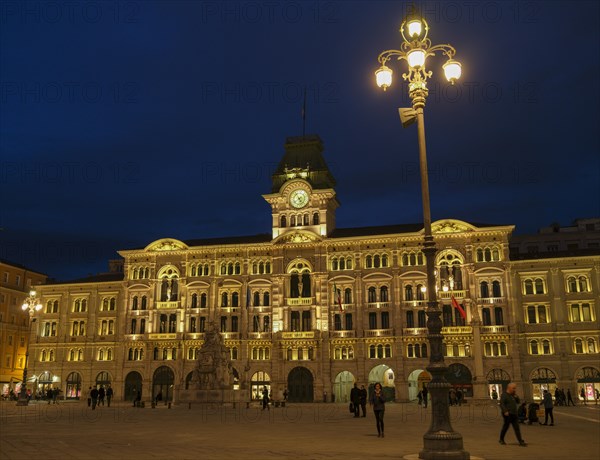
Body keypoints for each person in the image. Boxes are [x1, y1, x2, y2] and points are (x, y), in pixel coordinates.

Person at [499, 382, 527, 446]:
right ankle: (501, 439)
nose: (515, 389)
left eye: (515, 388)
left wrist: (516, 396)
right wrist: (505, 411)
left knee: (517, 428)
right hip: (507, 414)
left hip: (514, 414)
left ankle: (520, 441)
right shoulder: (504, 395)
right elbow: (502, 403)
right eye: (513, 388)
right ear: (509, 388)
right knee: (506, 427)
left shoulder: (512, 395)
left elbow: (518, 402)